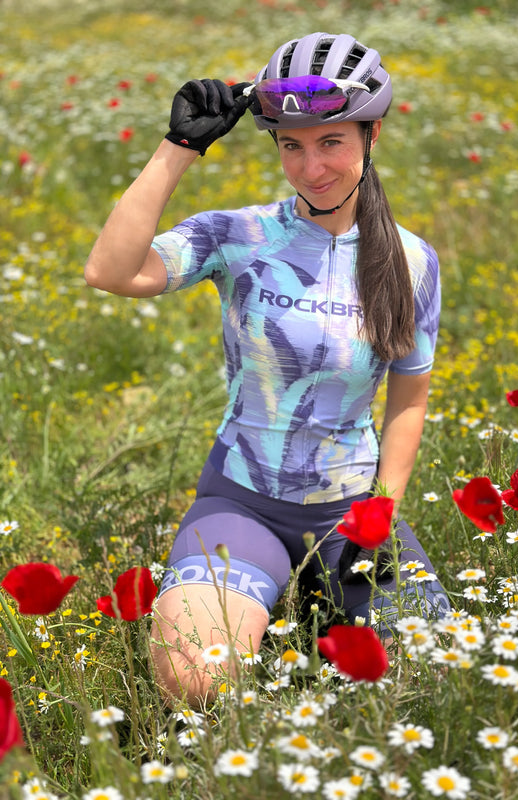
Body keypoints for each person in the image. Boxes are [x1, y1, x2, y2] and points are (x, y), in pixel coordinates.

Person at [84, 31, 450, 707]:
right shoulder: (239, 235)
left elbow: (409, 399)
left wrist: (382, 511)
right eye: (290, 146)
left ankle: (319, 595)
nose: (311, 167)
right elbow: (110, 271)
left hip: (351, 513)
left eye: (331, 142)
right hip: (242, 503)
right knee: (194, 677)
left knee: (435, 681)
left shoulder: (411, 260)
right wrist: (179, 147)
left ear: (372, 134)